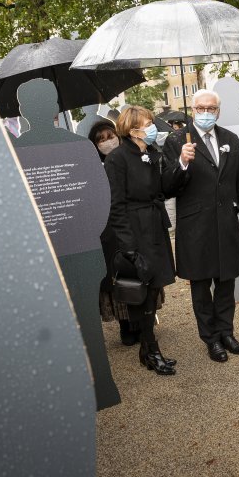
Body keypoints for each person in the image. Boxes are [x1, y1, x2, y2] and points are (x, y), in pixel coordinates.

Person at [163, 89, 239, 362]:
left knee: (226, 280)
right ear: (193, 110)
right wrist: (182, 162)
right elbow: (167, 187)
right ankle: (211, 338)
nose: (206, 112)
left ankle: (226, 331)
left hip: (225, 221)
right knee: (201, 285)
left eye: (211, 108)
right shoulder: (177, 140)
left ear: (218, 110)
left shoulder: (230, 139)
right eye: (201, 108)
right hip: (195, 226)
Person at [105, 106, 194, 375]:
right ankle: (151, 350)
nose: (153, 126)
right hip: (135, 230)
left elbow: (167, 188)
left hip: (154, 227)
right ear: (133, 130)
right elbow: (116, 206)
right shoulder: (118, 159)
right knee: (142, 292)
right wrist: (128, 247)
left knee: (154, 288)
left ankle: (147, 350)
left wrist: (182, 162)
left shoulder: (152, 154)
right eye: (147, 123)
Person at [87, 120, 140, 346]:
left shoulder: (133, 159)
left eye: (110, 136)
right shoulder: (92, 169)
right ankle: (125, 324)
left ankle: (142, 319)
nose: (107, 142)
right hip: (109, 232)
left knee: (139, 272)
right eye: (101, 139)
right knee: (117, 277)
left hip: (136, 224)